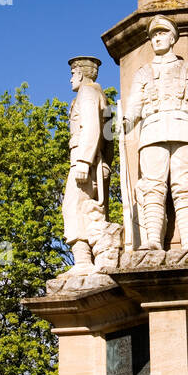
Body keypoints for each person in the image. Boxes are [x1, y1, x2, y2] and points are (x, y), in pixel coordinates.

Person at [125, 16, 188, 251]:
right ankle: (153, 239)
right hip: (152, 134)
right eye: (153, 35)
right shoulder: (143, 73)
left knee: (185, 189)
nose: (157, 38)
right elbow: (133, 106)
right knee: (153, 189)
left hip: (185, 132)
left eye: (162, 34)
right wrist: (123, 122)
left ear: (173, 38)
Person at [61, 56, 112, 269]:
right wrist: (107, 162)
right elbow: (110, 136)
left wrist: (83, 161)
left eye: (73, 74)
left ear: (81, 73)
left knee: (73, 207)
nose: (71, 79)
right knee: (90, 210)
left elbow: (92, 126)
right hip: (94, 162)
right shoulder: (102, 96)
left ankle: (83, 262)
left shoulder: (87, 92)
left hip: (84, 161)